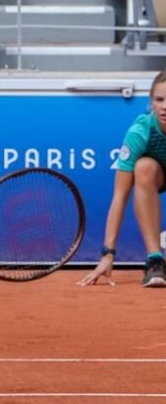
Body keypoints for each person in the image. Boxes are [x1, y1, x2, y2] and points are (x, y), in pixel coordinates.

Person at [79, 68, 166, 288]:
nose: (165, 106)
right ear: (151, 102)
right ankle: (155, 260)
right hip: (159, 175)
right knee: (143, 167)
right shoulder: (140, 132)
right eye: (159, 99)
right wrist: (108, 254)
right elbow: (120, 196)